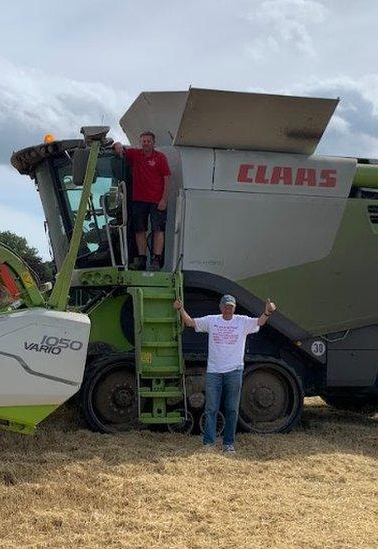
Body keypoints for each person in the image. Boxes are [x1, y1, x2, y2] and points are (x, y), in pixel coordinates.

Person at [174, 294, 277, 454]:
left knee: (232, 409)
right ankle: (209, 443)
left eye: (231, 306)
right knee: (211, 408)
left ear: (234, 308)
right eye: (226, 306)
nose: (228, 309)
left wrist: (268, 313)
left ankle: (228, 444)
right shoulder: (212, 320)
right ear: (221, 307)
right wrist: (180, 309)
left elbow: (259, 322)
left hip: (234, 370)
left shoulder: (242, 321)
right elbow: (190, 322)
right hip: (214, 371)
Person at [113, 131, 171, 270]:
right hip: (139, 199)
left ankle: (156, 259)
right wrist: (117, 144)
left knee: (158, 229)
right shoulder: (135, 154)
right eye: (143, 141)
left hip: (157, 200)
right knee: (140, 230)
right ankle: (142, 259)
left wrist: (164, 199)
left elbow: (167, 178)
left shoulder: (160, 158)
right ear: (141, 142)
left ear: (153, 143)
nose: (146, 143)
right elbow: (120, 149)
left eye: (148, 141)